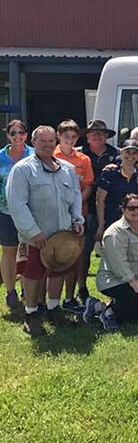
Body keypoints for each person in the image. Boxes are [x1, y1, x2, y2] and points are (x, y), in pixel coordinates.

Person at [6, 126, 85, 335]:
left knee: (58, 270)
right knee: (32, 274)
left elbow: (76, 198)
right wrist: (32, 231)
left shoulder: (67, 169)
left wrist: (77, 220)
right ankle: (31, 314)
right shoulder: (23, 169)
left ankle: (53, 308)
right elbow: (16, 203)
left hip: (62, 235)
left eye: (51, 141)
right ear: (34, 142)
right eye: (43, 141)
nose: (48, 145)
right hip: (35, 236)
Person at [52, 119, 94, 312]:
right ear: (58, 136)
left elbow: (87, 187)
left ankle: (69, 298)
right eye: (66, 136)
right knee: (52, 257)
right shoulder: (50, 156)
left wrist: (75, 210)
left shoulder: (84, 160)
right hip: (54, 215)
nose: (69, 140)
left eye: (73, 137)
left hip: (77, 215)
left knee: (73, 258)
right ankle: (49, 299)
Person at [95, 194, 138, 331]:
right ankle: (107, 314)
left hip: (133, 278)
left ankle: (96, 306)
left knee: (137, 314)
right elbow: (117, 261)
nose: (136, 211)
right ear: (123, 209)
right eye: (131, 208)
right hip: (113, 279)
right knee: (135, 299)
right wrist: (131, 280)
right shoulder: (115, 232)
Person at [78, 119, 119, 304]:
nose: (97, 136)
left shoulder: (116, 154)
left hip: (110, 211)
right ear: (87, 136)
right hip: (85, 210)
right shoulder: (78, 154)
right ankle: (82, 288)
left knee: (112, 253)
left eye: (101, 133)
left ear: (106, 136)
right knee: (83, 252)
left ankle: (114, 290)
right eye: (93, 133)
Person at [0, 119, 33, 308]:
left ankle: (27, 287)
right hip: (5, 212)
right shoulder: (0, 157)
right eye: (13, 133)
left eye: (21, 133)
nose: (17, 137)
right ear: (8, 136)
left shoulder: (33, 154)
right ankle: (10, 291)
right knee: (9, 252)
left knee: (28, 251)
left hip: (30, 212)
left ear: (26, 135)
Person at [95, 139, 138, 247]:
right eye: (127, 151)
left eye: (134, 152)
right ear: (121, 152)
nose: (130, 155)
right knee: (113, 256)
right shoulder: (109, 173)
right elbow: (100, 200)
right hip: (112, 220)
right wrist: (101, 224)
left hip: (135, 222)